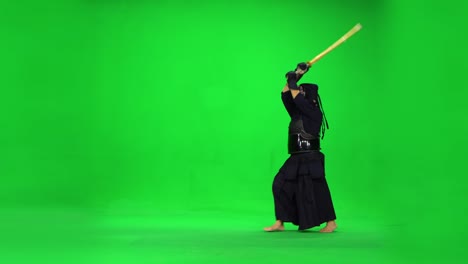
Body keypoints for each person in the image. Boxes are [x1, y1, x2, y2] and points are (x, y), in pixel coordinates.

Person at [264, 62, 337, 232]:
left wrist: (293, 77)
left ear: (310, 98)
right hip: (296, 158)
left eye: (303, 92)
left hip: (311, 157)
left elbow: (296, 96)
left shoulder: (314, 112)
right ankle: (280, 222)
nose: (299, 93)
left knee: (318, 190)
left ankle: (331, 222)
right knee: (279, 184)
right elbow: (285, 94)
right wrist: (297, 73)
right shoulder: (296, 113)